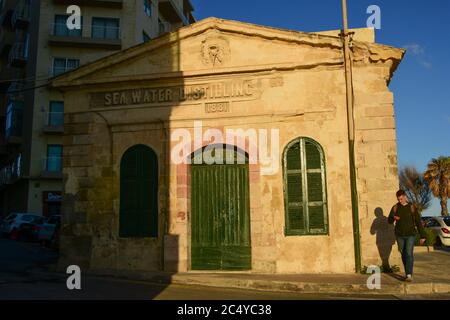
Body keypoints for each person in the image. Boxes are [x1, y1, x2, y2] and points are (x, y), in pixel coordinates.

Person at [388, 190, 426, 282]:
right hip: (399, 235)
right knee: (403, 254)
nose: (400, 201)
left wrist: (423, 236)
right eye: (398, 199)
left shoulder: (412, 207)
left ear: (405, 197)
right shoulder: (395, 207)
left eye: (401, 199)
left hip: (410, 235)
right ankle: (407, 272)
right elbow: (389, 221)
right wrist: (393, 217)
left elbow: (418, 221)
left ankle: (409, 274)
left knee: (409, 253)